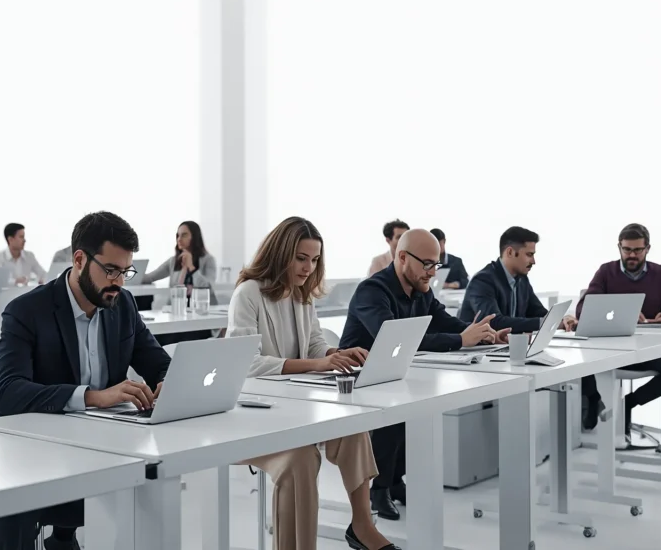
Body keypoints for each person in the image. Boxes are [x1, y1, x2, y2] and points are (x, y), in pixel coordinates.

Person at [0, 211, 170, 550]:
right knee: (17, 512)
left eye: (125, 271)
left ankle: (62, 535)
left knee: (153, 481)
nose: (119, 281)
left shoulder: (123, 304)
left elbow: (159, 363)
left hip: (99, 442)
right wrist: (93, 397)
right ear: (79, 259)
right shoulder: (26, 311)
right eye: (111, 270)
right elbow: (7, 392)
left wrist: (166, 383)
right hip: (31, 445)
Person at [227, 217, 397, 550]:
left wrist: (336, 354)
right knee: (301, 458)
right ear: (281, 254)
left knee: (353, 427)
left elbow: (315, 343)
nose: (309, 267)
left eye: (315, 259)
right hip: (256, 417)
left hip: (298, 407)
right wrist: (317, 363)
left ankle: (361, 525)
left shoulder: (303, 295)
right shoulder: (248, 293)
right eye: (301, 258)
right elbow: (245, 365)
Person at [341, 229, 508, 520]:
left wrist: (478, 334)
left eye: (436, 265)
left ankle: (393, 481)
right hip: (357, 375)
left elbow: (442, 320)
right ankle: (379, 488)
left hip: (398, 371)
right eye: (427, 264)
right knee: (399, 405)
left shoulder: (421, 289)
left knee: (420, 404)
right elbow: (395, 338)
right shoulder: (372, 290)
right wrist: (460, 340)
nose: (432, 273)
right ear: (402, 257)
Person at [576, 223, 661, 437]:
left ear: (647, 249)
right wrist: (621, 311)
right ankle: (594, 399)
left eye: (637, 250)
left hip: (646, 349)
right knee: (580, 363)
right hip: (610, 350)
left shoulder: (659, 273)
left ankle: (629, 404)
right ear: (619, 248)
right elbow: (583, 308)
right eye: (627, 250)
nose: (631, 255)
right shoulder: (606, 271)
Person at [459, 227, 577, 333]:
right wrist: (550, 323)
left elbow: (538, 313)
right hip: (476, 352)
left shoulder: (521, 279)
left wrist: (562, 320)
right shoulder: (483, 280)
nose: (533, 261)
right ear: (510, 252)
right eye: (529, 254)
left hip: (505, 348)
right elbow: (494, 323)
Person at [142, 221, 218, 302]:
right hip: (178, 309)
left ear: (195, 237)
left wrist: (191, 267)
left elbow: (209, 288)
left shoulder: (208, 260)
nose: (179, 239)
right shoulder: (173, 261)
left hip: (202, 310)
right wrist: (130, 276)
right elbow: (150, 277)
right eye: (178, 236)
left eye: (184, 235)